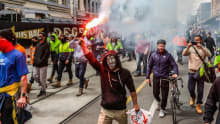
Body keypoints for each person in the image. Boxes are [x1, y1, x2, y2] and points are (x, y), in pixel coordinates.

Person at [79, 38, 140, 124]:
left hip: (121, 110)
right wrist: (83, 46)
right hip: (106, 111)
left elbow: (132, 90)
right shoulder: (103, 70)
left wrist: (135, 104)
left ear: (117, 60)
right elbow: (91, 59)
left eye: (112, 59)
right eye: (108, 60)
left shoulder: (125, 73)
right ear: (105, 61)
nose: (110, 61)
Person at [0, 29, 29, 123]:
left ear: (9, 40)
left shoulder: (18, 55)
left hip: (10, 95)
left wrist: (23, 96)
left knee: (9, 120)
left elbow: (23, 77)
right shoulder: (0, 54)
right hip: (1, 93)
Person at [146, 39, 178, 118]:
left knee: (164, 94)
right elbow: (149, 67)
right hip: (156, 76)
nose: (161, 47)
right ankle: (159, 102)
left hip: (165, 77)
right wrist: (147, 77)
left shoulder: (168, 55)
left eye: (162, 46)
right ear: (157, 46)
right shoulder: (153, 55)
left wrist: (176, 73)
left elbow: (174, 65)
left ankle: (162, 109)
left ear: (164, 46)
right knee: (155, 93)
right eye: (160, 46)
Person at [182, 35, 211, 114]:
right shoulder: (191, 48)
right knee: (190, 88)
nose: (196, 42)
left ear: (201, 40)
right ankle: (193, 97)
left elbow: (209, 54)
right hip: (191, 71)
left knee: (200, 90)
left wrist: (202, 47)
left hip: (201, 72)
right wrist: (188, 47)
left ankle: (198, 105)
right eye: (195, 40)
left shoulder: (203, 48)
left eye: (198, 40)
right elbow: (184, 54)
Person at [33, 32, 50, 97]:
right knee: (35, 76)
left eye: (41, 36)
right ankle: (43, 85)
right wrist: (35, 60)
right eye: (39, 36)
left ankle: (43, 91)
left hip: (43, 64)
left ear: (44, 37)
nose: (39, 37)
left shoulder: (47, 44)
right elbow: (35, 53)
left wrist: (41, 60)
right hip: (36, 64)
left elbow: (46, 55)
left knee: (42, 78)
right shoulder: (38, 44)